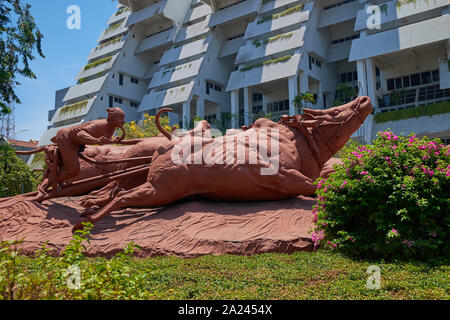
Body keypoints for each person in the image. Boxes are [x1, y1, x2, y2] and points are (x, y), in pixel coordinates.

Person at [50, 107, 126, 183]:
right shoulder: (101, 125)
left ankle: (56, 181)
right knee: (74, 169)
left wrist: (112, 141)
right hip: (66, 137)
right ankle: (50, 181)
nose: (123, 121)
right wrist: (96, 141)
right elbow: (80, 134)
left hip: (76, 143)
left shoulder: (112, 130)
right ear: (113, 119)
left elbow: (102, 141)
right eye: (121, 118)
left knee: (72, 169)